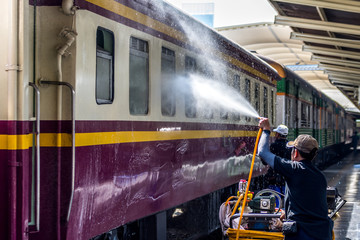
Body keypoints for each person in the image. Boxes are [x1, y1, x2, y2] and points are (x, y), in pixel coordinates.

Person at [258, 118, 333, 240]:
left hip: (302, 235)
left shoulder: (294, 169)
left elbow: (262, 152)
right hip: (322, 234)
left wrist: (266, 130)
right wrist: (287, 213)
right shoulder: (320, 176)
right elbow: (307, 206)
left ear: (296, 153)